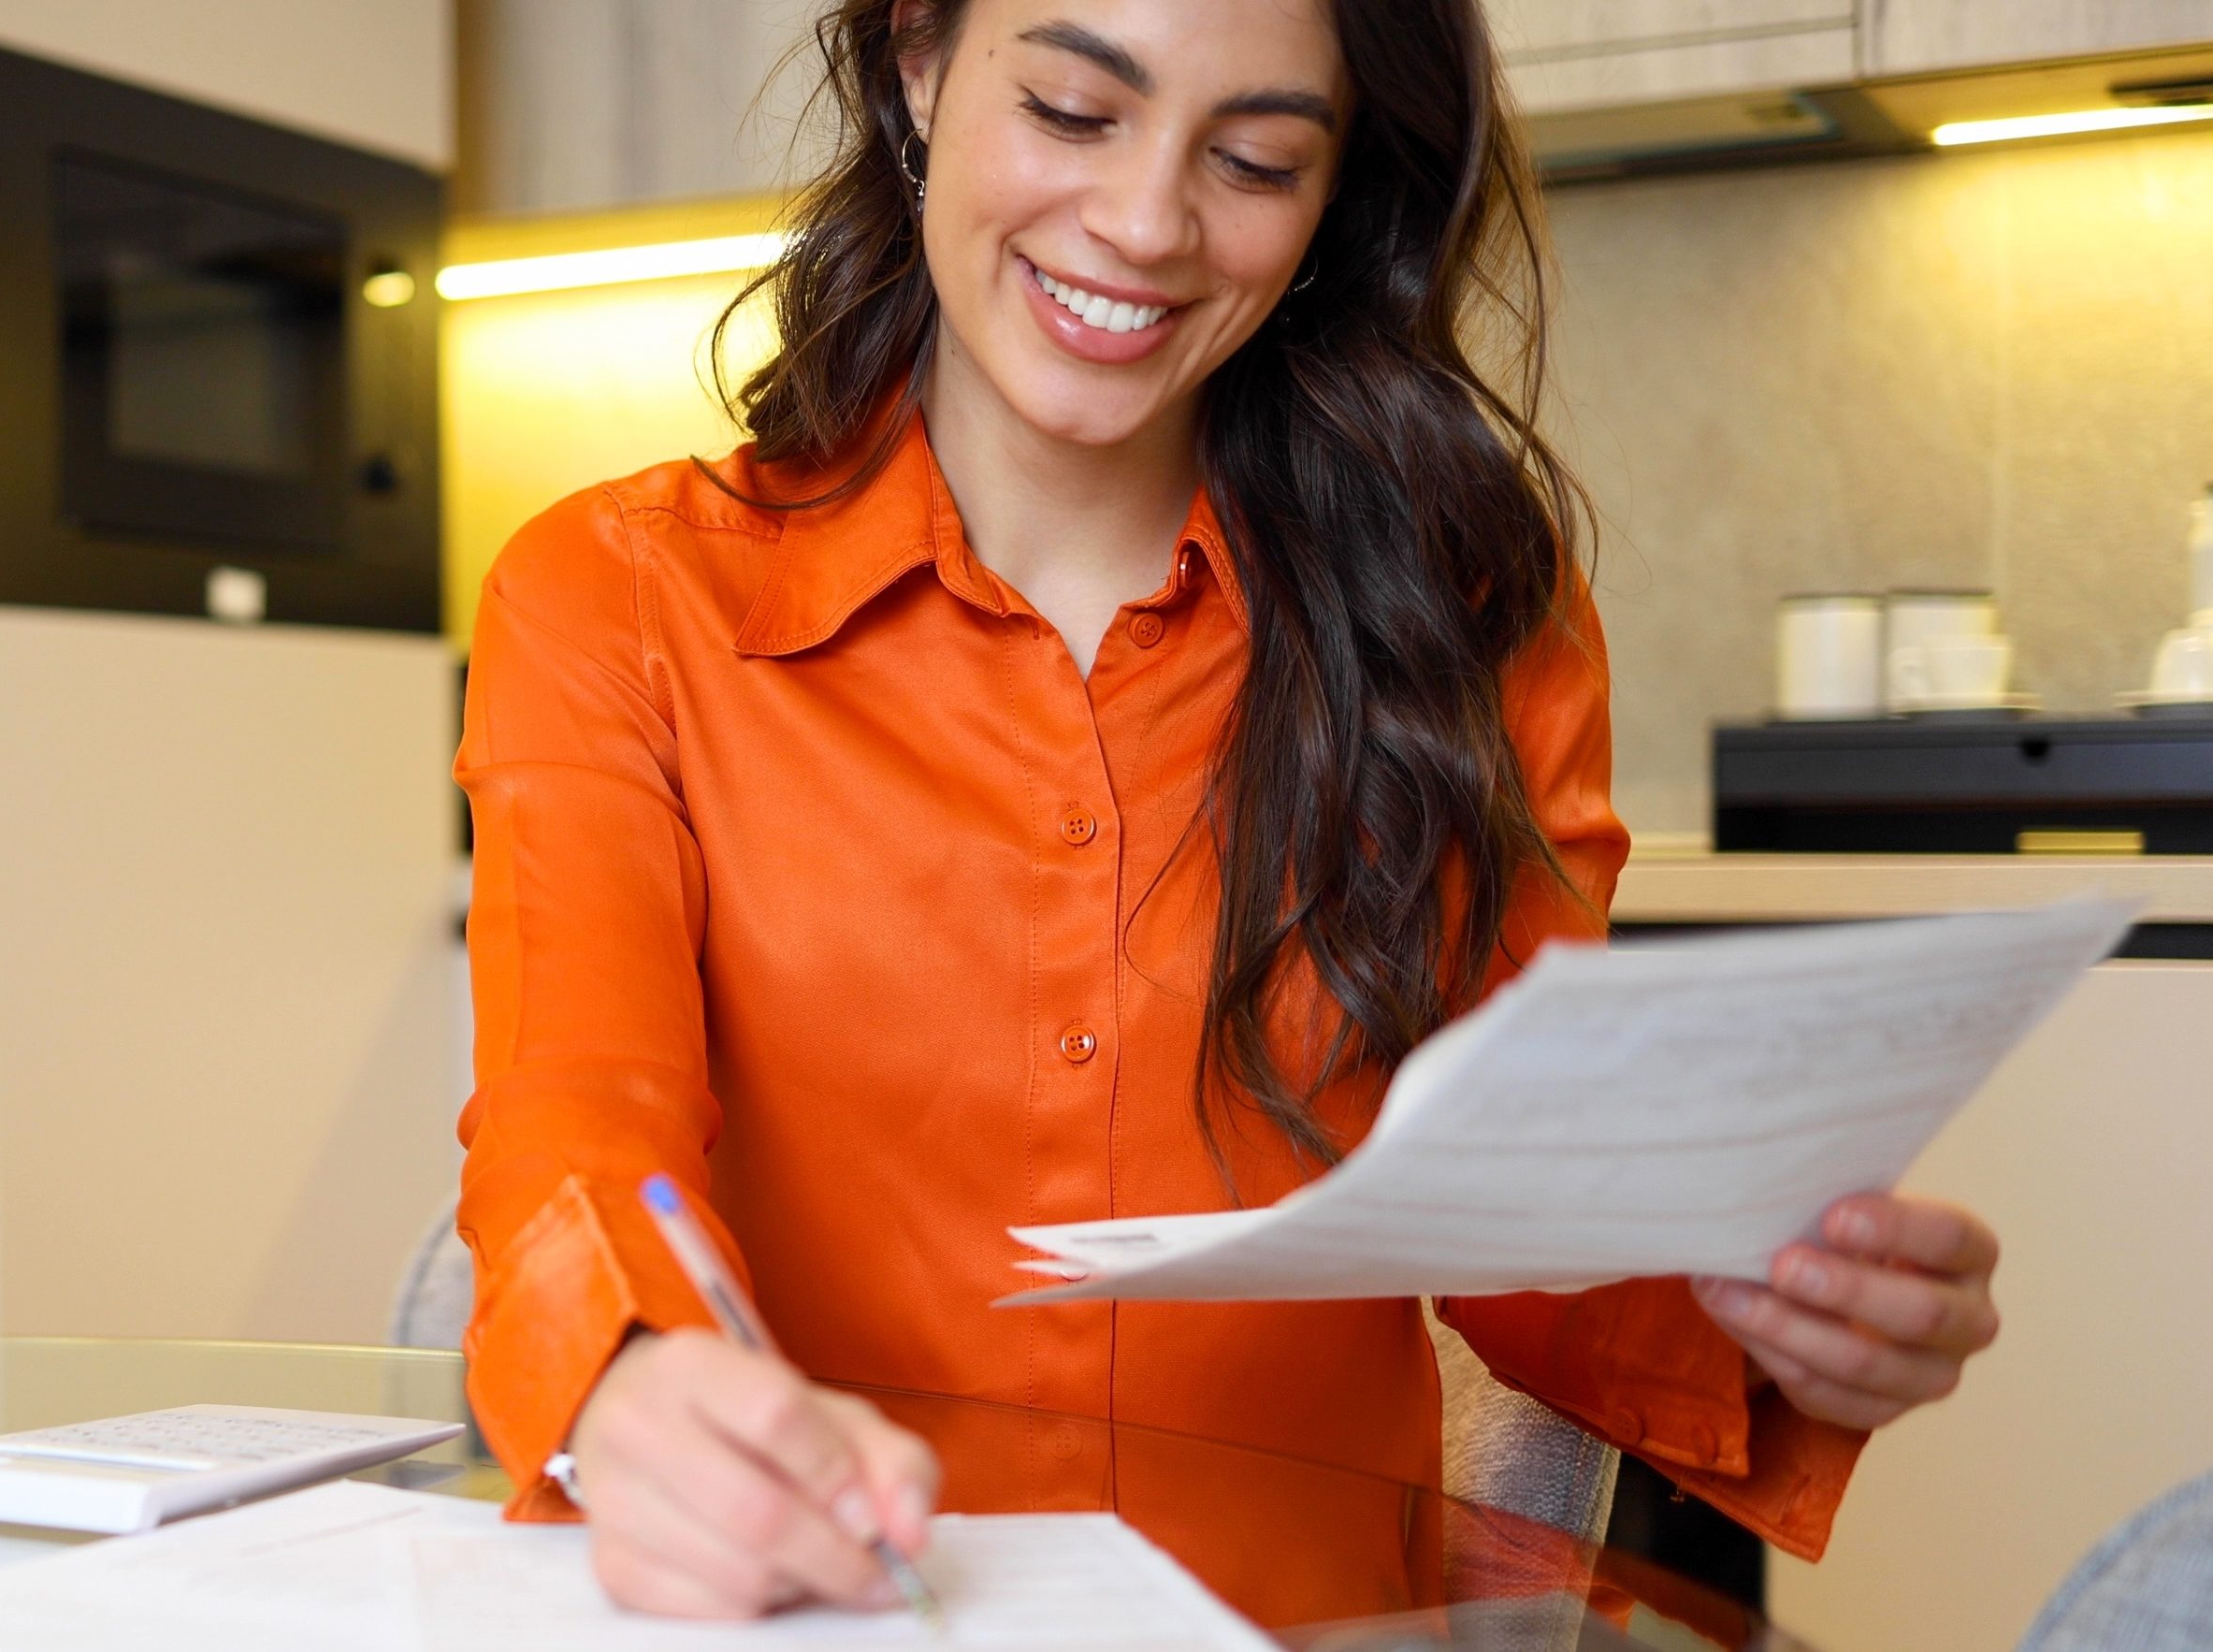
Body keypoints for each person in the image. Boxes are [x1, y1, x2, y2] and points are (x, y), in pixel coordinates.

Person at [451, 0, 2008, 1620]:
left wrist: (1779, 1306)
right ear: (916, 64)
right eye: (1068, 111)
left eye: (1254, 157)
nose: (1142, 223)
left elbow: (1525, 1218)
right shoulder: (615, 602)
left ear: (1338, 194)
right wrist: (628, 1391)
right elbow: (575, 1118)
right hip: (810, 1611)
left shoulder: (1471, 627)